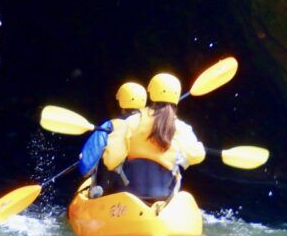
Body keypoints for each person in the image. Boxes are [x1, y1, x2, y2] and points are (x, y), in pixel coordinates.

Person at [101, 73, 205, 202]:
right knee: (177, 166)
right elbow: (197, 155)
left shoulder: (132, 121)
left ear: (151, 94)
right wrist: (181, 157)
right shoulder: (181, 127)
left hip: (130, 193)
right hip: (162, 196)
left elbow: (110, 160)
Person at [79, 82, 146, 197]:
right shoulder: (154, 128)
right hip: (147, 195)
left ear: (120, 103)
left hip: (111, 193)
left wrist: (83, 158)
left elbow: (85, 168)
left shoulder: (109, 126)